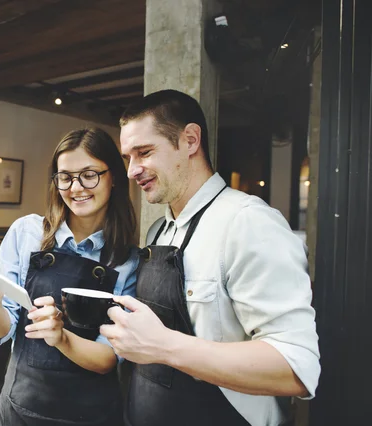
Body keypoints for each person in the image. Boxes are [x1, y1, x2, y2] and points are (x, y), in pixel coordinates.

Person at [99, 89, 321, 426]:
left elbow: (295, 367)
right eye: (128, 157)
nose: (132, 170)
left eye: (144, 152)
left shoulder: (247, 222)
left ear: (189, 140)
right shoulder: (158, 231)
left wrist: (164, 346)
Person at [0, 127, 139, 426]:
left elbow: (110, 358)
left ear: (115, 179)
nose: (76, 187)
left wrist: (61, 339)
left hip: (91, 416)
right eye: (65, 177)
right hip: (20, 408)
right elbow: (2, 331)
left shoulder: (127, 261)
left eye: (89, 174)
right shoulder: (26, 233)